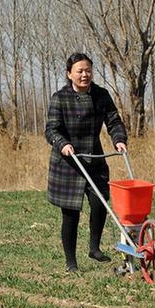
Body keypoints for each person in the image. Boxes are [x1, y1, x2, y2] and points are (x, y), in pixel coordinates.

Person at [45, 53, 128, 272]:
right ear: (69, 74)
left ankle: (94, 248)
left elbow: (114, 121)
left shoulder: (101, 95)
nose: (85, 75)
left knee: (100, 202)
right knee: (71, 213)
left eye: (88, 70)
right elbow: (51, 129)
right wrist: (62, 144)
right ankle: (71, 262)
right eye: (80, 71)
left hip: (94, 159)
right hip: (68, 162)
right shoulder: (60, 98)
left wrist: (119, 140)